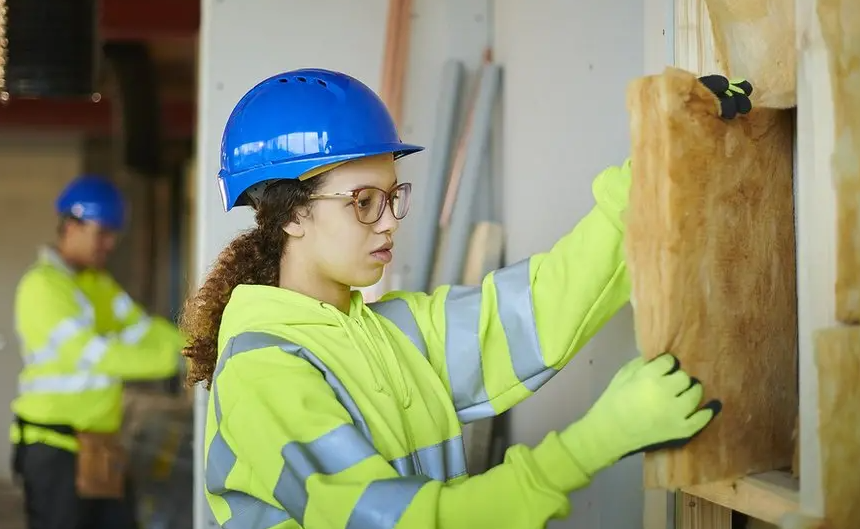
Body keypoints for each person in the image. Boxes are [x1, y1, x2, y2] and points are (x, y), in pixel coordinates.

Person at [181, 68, 751, 529]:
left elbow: (541, 307)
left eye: (392, 196)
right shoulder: (263, 369)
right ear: (290, 215)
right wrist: (594, 442)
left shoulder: (392, 333)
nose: (389, 224)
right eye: (362, 202)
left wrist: (650, 176)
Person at [10, 174, 185, 529]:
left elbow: (143, 329)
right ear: (70, 226)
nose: (109, 244)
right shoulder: (42, 287)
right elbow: (95, 355)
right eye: (101, 233)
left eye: (113, 235)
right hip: (54, 449)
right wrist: (180, 360)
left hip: (98, 446)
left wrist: (196, 343)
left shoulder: (97, 284)